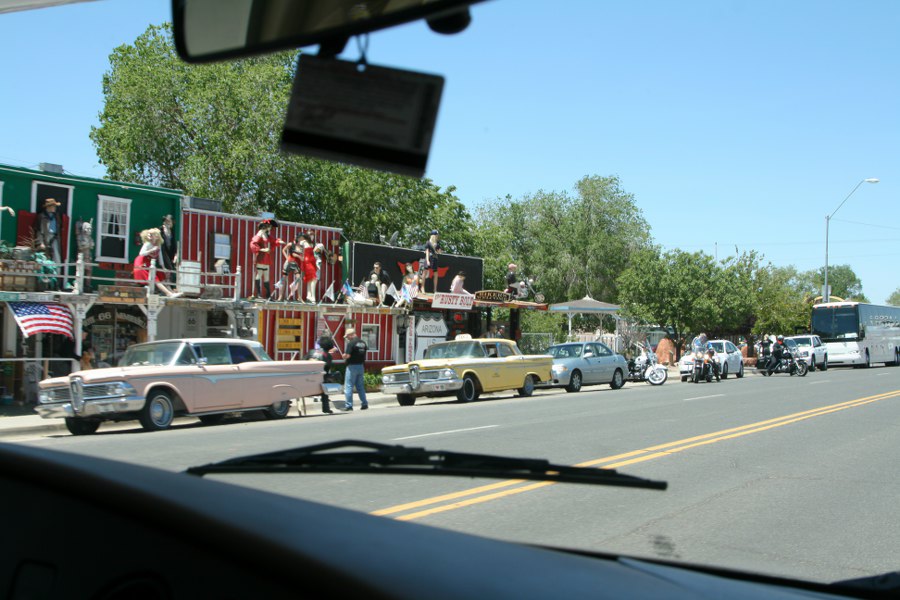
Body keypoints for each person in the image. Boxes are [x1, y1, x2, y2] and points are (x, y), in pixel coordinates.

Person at [133, 228, 182, 297]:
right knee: (154, 277)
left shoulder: (158, 245)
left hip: (148, 263)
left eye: (151, 234)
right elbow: (141, 253)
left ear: (156, 236)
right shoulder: (148, 244)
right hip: (141, 263)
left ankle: (170, 291)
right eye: (149, 234)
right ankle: (168, 293)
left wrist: (163, 267)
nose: (149, 236)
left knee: (162, 274)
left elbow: (160, 258)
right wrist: (151, 250)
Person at [34, 198, 63, 288]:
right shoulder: (41, 216)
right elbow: (38, 231)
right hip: (45, 238)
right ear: (49, 207)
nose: (55, 208)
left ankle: (56, 282)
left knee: (57, 259)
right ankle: (45, 284)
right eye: (53, 206)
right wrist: (40, 242)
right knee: (45, 261)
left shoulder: (56, 216)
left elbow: (59, 228)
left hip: (54, 238)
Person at [305, 333, 336, 414]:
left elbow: (304, 362)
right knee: (326, 381)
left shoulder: (311, 352)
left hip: (307, 379)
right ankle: (326, 408)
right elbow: (327, 369)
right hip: (320, 381)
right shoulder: (328, 356)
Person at [341, 327, 368, 411]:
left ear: (351, 335)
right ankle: (364, 403)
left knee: (348, 386)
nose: (347, 338)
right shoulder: (363, 343)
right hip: (361, 365)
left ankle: (349, 405)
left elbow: (348, 355)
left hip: (352, 366)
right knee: (360, 386)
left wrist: (344, 356)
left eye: (347, 336)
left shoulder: (351, 343)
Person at [249, 220, 273, 300]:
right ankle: (258, 294)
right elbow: (253, 243)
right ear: (266, 226)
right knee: (259, 274)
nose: (271, 228)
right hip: (262, 256)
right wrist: (262, 250)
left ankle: (268, 295)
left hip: (266, 257)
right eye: (270, 226)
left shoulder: (266, 234)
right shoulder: (260, 233)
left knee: (266, 275)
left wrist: (277, 241)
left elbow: (272, 241)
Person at [274, 233, 303, 301]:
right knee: (284, 279)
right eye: (301, 238)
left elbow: (302, 255)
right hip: (289, 262)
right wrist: (286, 257)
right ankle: (281, 296)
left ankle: (299, 297)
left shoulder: (301, 246)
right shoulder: (291, 244)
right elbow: (283, 250)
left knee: (298, 279)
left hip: (296, 264)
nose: (301, 239)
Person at [299, 232, 317, 304]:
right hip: (308, 262)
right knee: (314, 279)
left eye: (313, 235)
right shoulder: (303, 242)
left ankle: (309, 295)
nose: (312, 236)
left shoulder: (311, 243)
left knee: (310, 279)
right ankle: (313, 297)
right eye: (311, 235)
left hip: (311, 262)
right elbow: (299, 247)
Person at [159, 214, 177, 282]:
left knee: (171, 267)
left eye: (170, 222)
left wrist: (175, 254)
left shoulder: (172, 231)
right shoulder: (160, 230)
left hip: (170, 252)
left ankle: (168, 284)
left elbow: (174, 244)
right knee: (169, 267)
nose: (169, 223)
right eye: (168, 221)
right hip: (163, 251)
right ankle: (167, 284)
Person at [424, 230, 442, 294]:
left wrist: (439, 250)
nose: (437, 236)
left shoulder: (437, 243)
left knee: (436, 273)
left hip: (435, 258)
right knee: (425, 272)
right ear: (433, 236)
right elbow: (427, 251)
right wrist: (427, 260)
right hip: (429, 257)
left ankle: (435, 289)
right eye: (436, 235)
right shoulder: (428, 242)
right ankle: (422, 288)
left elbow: (439, 252)